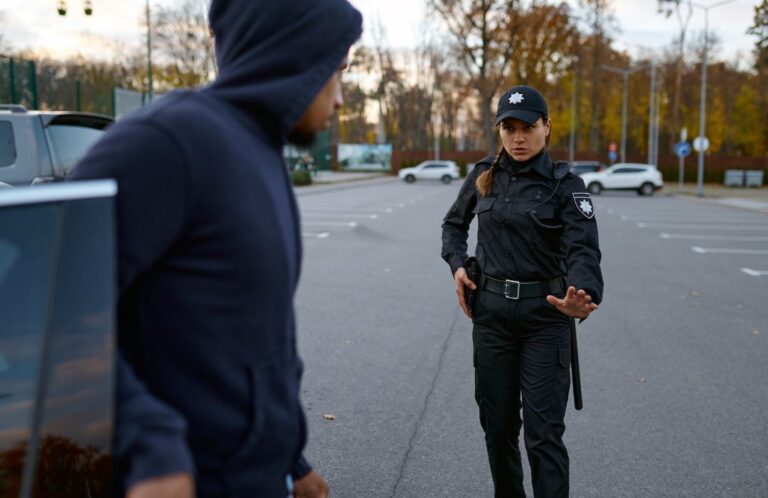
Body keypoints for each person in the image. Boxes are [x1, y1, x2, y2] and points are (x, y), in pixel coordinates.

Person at [68, 0, 362, 497]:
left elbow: (252, 341)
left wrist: (292, 461)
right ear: (293, 57)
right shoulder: (167, 142)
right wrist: (150, 446)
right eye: (338, 71)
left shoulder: (259, 152)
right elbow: (51, 305)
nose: (339, 100)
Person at [441, 85, 603, 498]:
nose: (518, 137)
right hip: (492, 319)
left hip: (545, 320)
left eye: (528, 127)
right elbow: (452, 226)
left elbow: (583, 248)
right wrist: (458, 266)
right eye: (508, 128)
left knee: (543, 436)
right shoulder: (483, 175)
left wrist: (581, 294)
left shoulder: (566, 184)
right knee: (497, 431)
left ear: (547, 127)